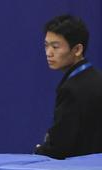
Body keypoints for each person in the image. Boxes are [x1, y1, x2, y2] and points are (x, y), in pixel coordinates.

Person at [35, 14, 102, 159]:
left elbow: (58, 148)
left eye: (55, 47)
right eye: (46, 45)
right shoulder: (96, 78)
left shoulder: (71, 89)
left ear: (77, 49)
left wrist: (41, 150)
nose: (49, 53)